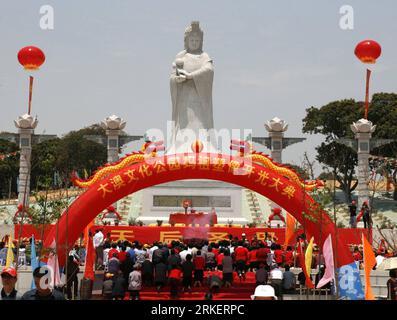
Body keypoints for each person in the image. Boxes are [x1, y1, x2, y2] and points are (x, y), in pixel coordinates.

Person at [169, 21, 215, 153]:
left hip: (199, 100)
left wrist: (191, 76)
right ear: (186, 41)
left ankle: (203, 146)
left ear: (201, 41)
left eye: (197, 40)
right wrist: (177, 79)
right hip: (184, 100)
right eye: (192, 40)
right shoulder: (181, 56)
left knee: (200, 124)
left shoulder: (204, 56)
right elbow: (173, 76)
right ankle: (181, 146)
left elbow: (209, 70)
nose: (194, 42)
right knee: (184, 125)